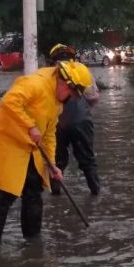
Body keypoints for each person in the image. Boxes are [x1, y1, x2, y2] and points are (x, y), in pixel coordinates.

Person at [0, 59, 94, 245]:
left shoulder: (58, 102)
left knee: (34, 191)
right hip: (8, 142)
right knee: (6, 195)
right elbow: (9, 102)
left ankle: (33, 241)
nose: (70, 98)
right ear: (64, 82)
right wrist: (30, 126)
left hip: (30, 146)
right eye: (71, 93)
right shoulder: (34, 84)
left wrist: (52, 164)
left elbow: (49, 134)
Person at [47, 44, 101, 196]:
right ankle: (95, 192)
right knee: (88, 159)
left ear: (53, 58)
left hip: (57, 122)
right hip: (82, 120)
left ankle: (55, 194)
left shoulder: (49, 73)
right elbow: (93, 97)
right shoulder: (82, 70)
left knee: (56, 159)